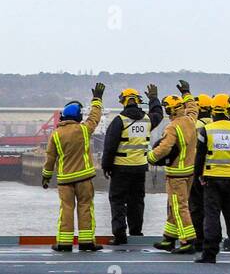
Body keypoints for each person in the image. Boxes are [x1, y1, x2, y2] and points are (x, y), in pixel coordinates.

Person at [41, 83, 106, 252]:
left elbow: (50, 158)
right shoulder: (84, 130)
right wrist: (97, 99)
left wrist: (46, 176)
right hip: (84, 178)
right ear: (78, 116)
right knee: (85, 208)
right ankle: (86, 243)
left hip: (64, 180)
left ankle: (64, 243)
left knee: (66, 210)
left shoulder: (56, 134)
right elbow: (94, 118)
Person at [99, 83, 162, 244]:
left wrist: (106, 166)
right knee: (137, 201)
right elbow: (158, 114)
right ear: (138, 101)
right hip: (140, 168)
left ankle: (120, 235)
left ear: (124, 101)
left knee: (118, 200)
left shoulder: (119, 121)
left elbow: (110, 146)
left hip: (120, 168)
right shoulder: (148, 120)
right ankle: (136, 233)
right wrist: (154, 98)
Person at [192, 93, 230, 264]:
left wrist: (198, 178)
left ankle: (210, 253)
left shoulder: (207, 130)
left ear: (213, 111)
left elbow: (199, 158)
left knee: (211, 216)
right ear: (229, 110)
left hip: (211, 179)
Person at [147, 89, 199, 253]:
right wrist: (187, 93)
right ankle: (169, 238)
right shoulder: (191, 120)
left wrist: (151, 157)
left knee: (179, 207)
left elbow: (164, 148)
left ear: (171, 110)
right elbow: (193, 108)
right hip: (189, 172)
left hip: (176, 173)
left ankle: (188, 240)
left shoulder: (172, 127)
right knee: (174, 205)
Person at [189, 91, 214, 252]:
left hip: (195, 170)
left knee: (195, 208)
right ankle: (210, 238)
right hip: (214, 172)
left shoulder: (193, 125)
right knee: (211, 209)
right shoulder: (216, 125)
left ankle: (197, 240)